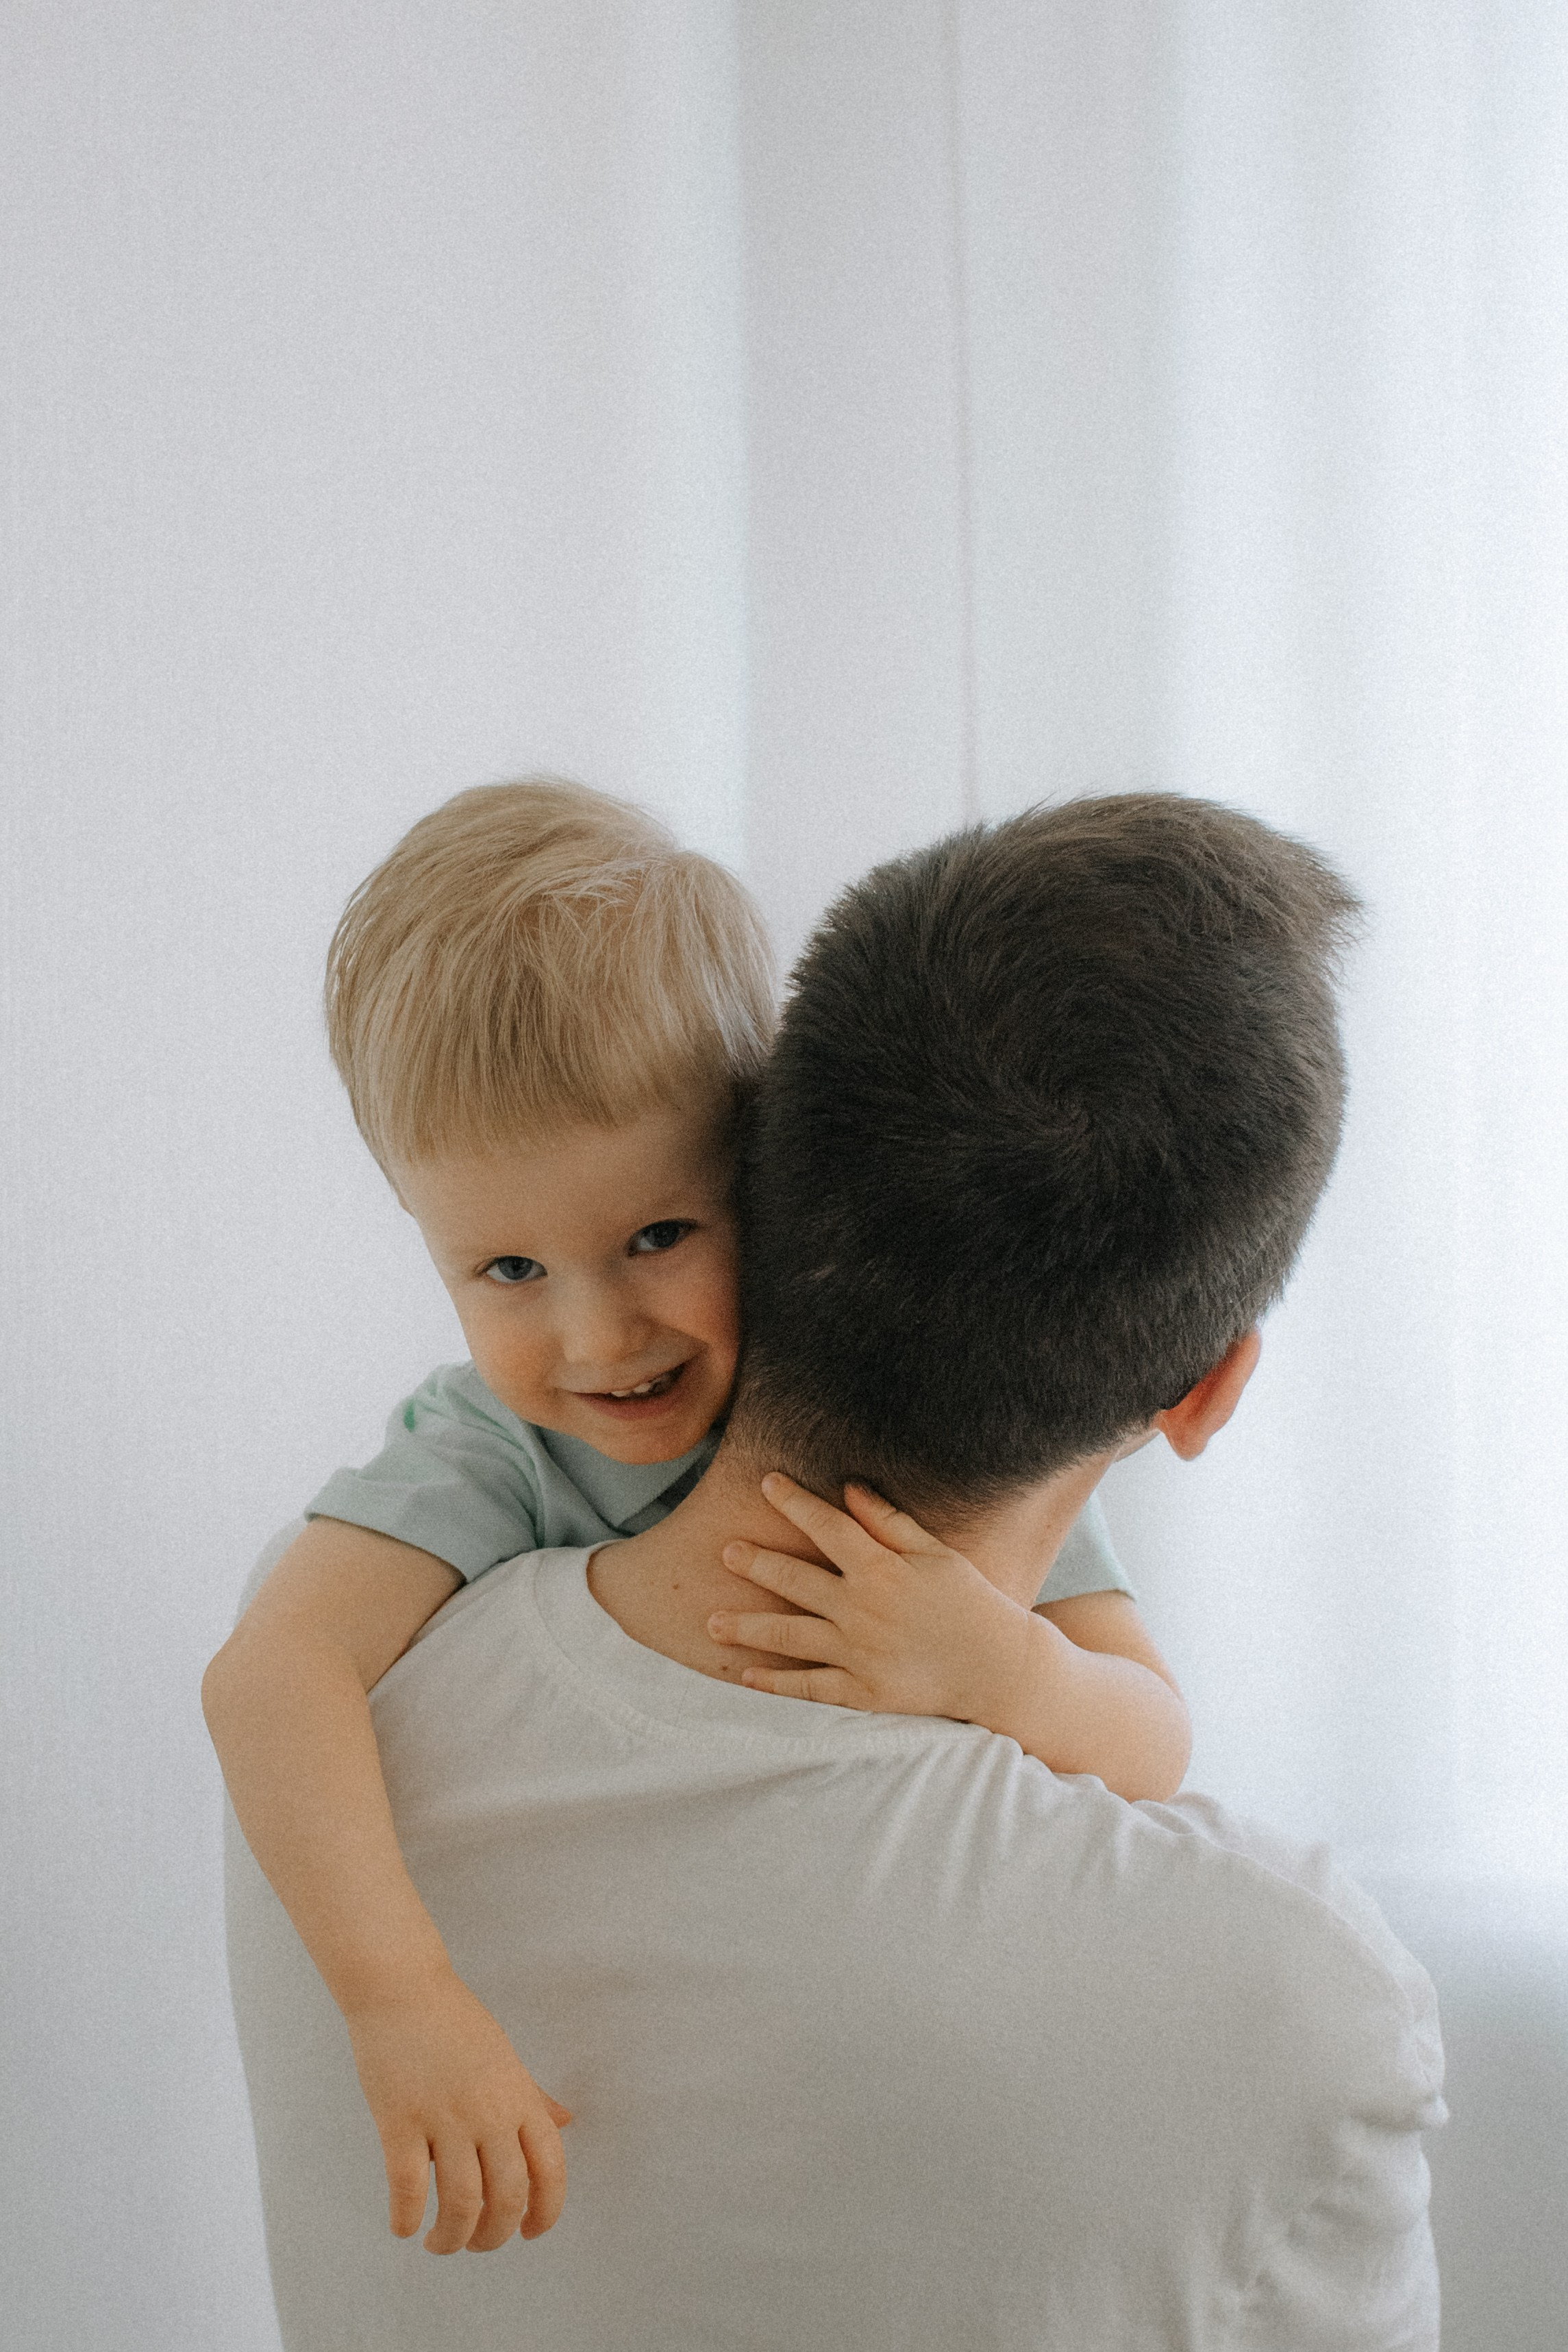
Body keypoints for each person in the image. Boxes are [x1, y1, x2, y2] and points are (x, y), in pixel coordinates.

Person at [224, 792, 1443, 2350]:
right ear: (1199, 1386)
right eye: (506, 1270)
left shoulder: (407, 1690)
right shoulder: (1304, 2008)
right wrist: (400, 1995)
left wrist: (995, 1671)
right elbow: (272, 1671)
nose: (598, 1340)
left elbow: (1143, 1729)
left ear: (766, 1177)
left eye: (656, 1236)